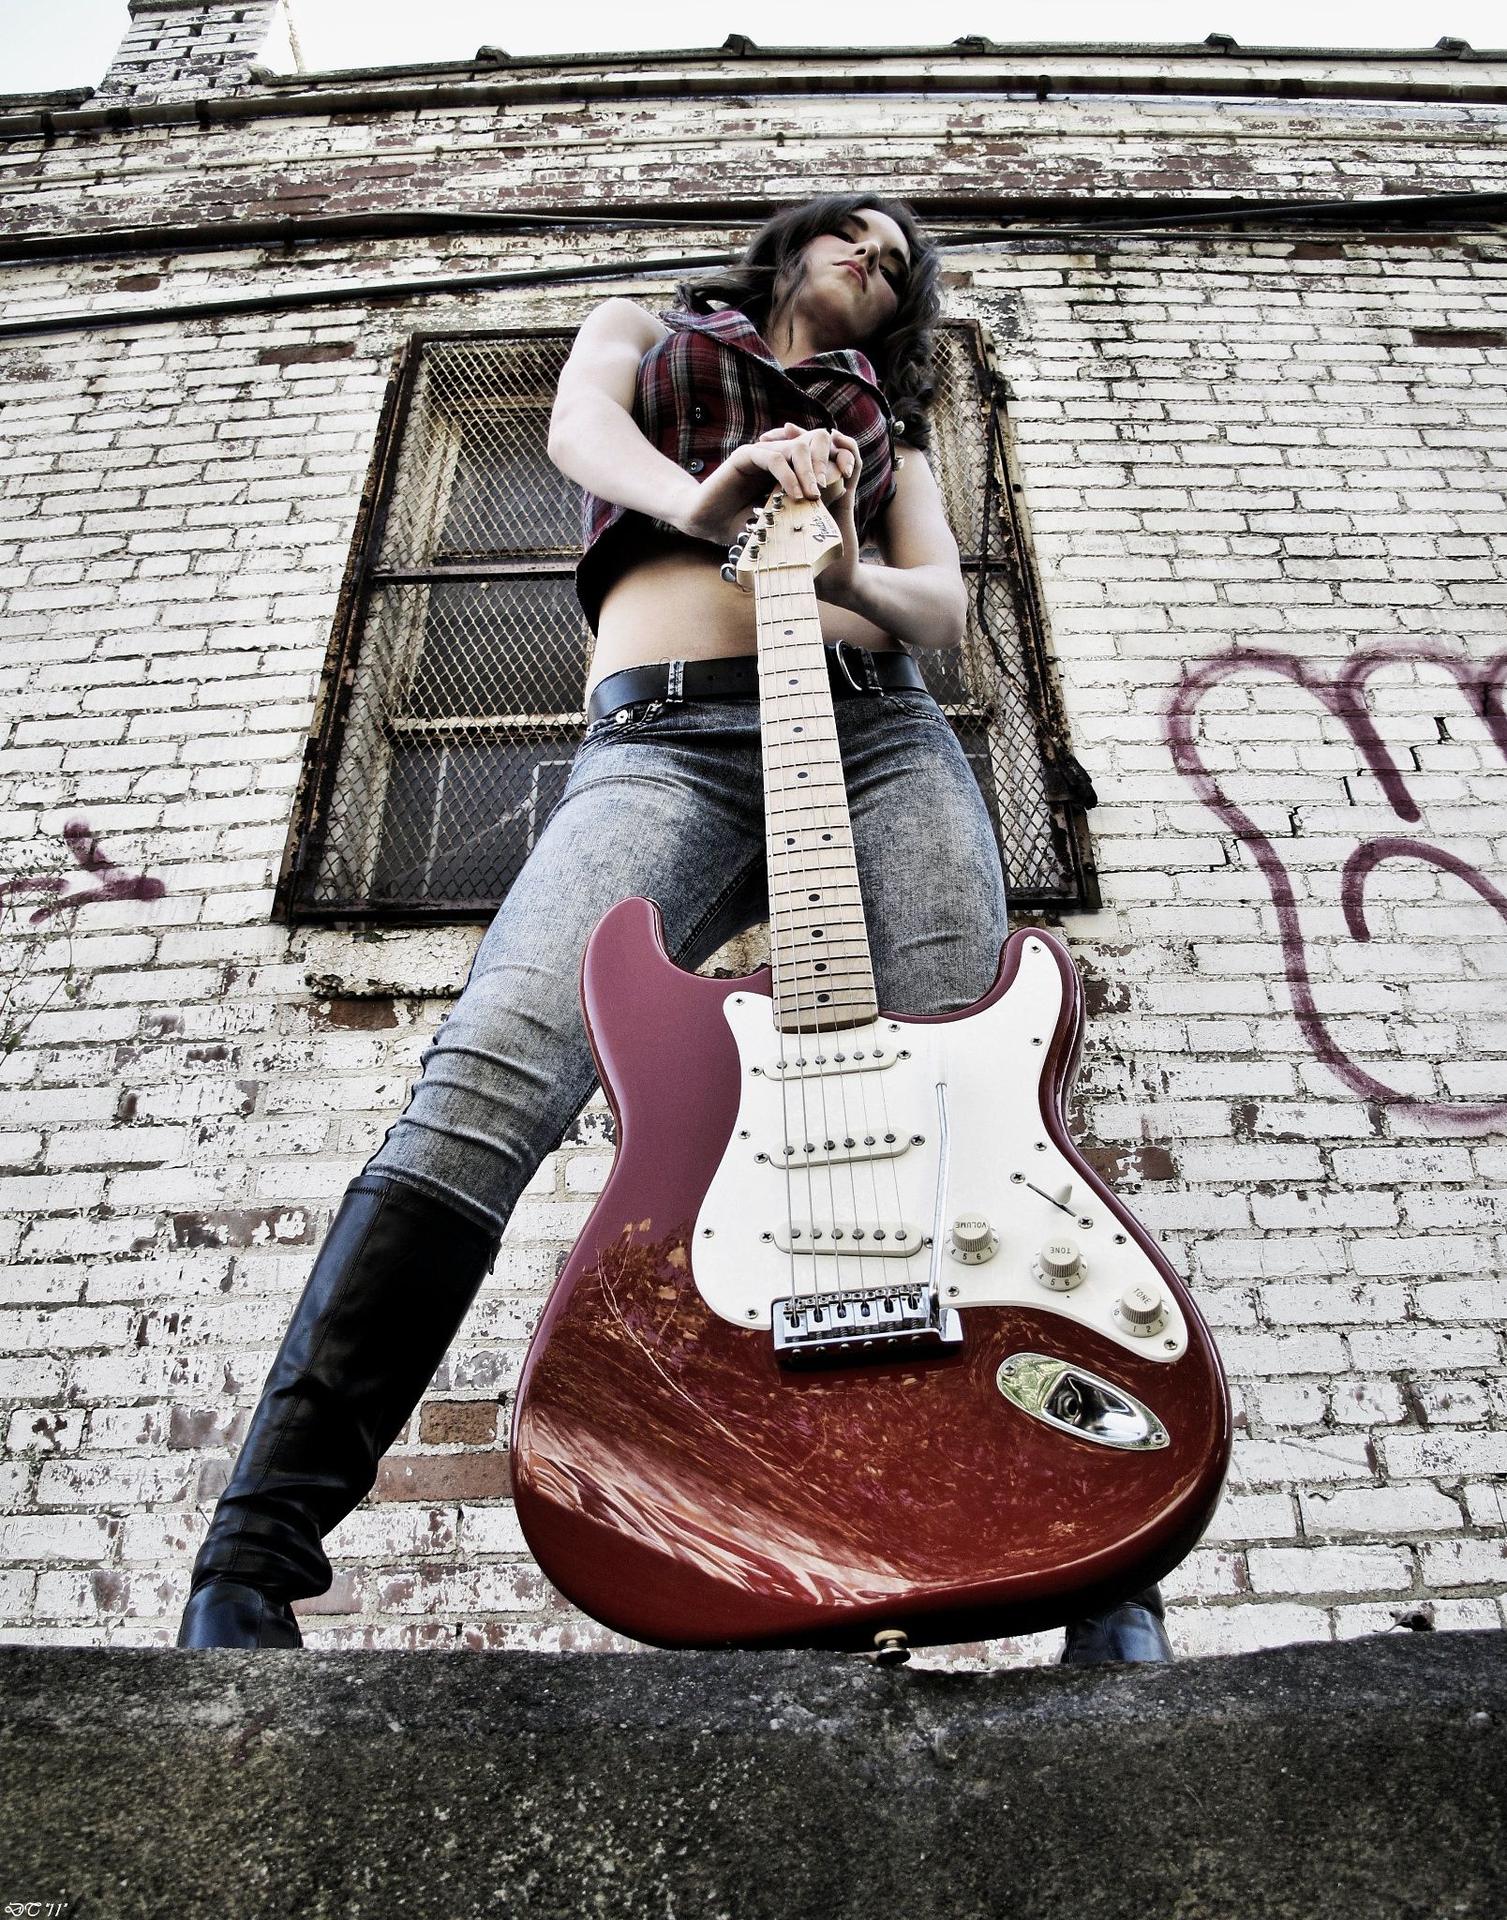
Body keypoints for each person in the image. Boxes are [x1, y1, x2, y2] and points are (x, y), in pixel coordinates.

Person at [175, 193, 1172, 1665]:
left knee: (975, 1114)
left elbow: (941, 611)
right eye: (857, 236)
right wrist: (714, 499)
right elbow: (580, 431)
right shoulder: (647, 334)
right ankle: (253, 1561)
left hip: (881, 742)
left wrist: (840, 569)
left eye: (901, 266)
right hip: (664, 743)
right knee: (489, 1074)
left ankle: (1105, 1579)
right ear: (794, 244)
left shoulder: (886, 437)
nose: (877, 261)